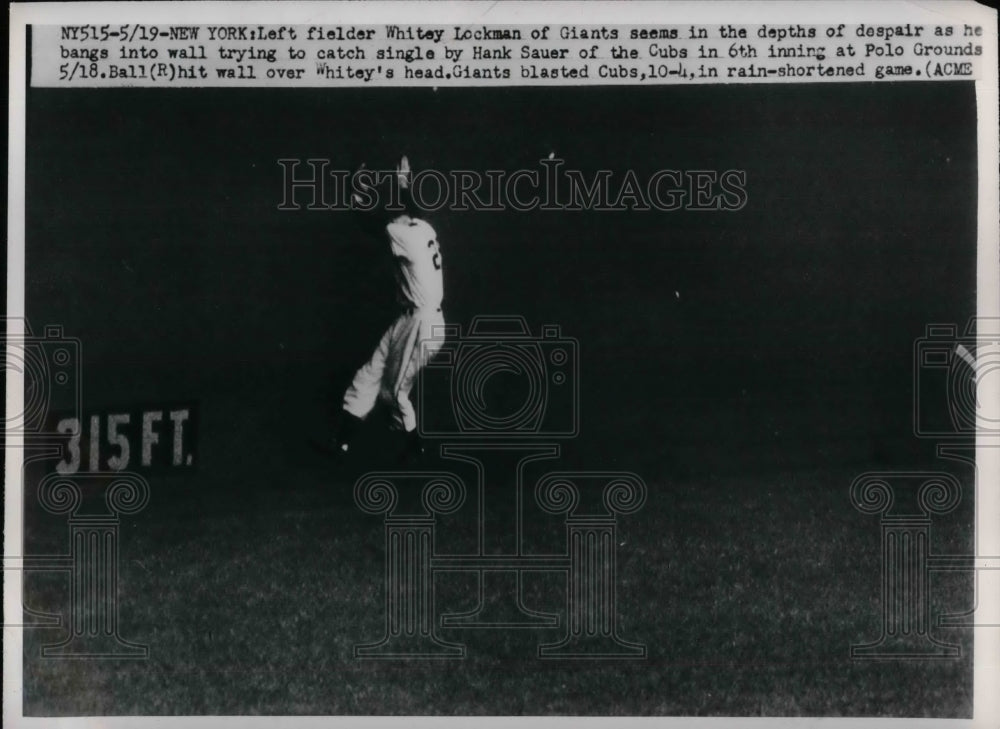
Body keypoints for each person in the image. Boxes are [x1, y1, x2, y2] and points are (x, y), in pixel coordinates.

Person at [332, 156, 445, 462]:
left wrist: (355, 192)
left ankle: (416, 450)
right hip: (412, 319)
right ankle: (342, 443)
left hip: (423, 323)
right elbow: (404, 213)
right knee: (370, 373)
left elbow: (370, 222)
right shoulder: (423, 227)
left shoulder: (403, 232)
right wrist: (404, 183)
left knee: (394, 392)